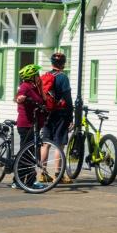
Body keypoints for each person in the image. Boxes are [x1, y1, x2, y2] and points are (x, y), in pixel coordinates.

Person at [39, 52, 73, 184]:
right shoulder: (63, 78)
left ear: (52, 64)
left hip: (47, 113)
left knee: (46, 143)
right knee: (59, 144)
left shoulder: (46, 76)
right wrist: (70, 116)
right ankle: (58, 175)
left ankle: (43, 173)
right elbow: (68, 99)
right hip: (60, 114)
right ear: (63, 64)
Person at [15, 64, 46, 188]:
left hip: (34, 125)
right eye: (37, 75)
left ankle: (21, 180)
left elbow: (43, 100)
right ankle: (22, 181)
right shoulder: (25, 87)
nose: (39, 76)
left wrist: (41, 87)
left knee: (31, 153)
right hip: (26, 124)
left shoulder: (35, 87)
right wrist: (20, 99)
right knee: (28, 154)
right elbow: (19, 97)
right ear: (31, 76)